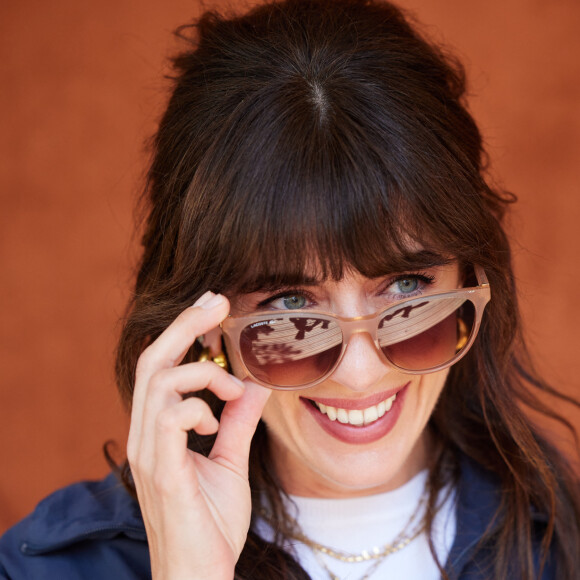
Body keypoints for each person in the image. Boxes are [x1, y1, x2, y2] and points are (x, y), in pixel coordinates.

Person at [1, 0, 579, 578]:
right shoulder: (44, 568)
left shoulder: (563, 550)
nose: (360, 373)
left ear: (473, 280)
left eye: (406, 287)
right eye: (290, 305)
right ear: (205, 326)